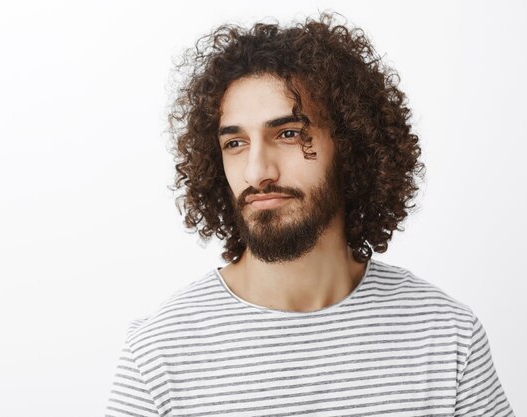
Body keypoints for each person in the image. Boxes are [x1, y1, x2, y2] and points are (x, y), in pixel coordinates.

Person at [106, 12, 514, 416]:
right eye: (235, 143)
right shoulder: (158, 357)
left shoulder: (447, 338)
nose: (257, 172)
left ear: (351, 146)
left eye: (288, 134)